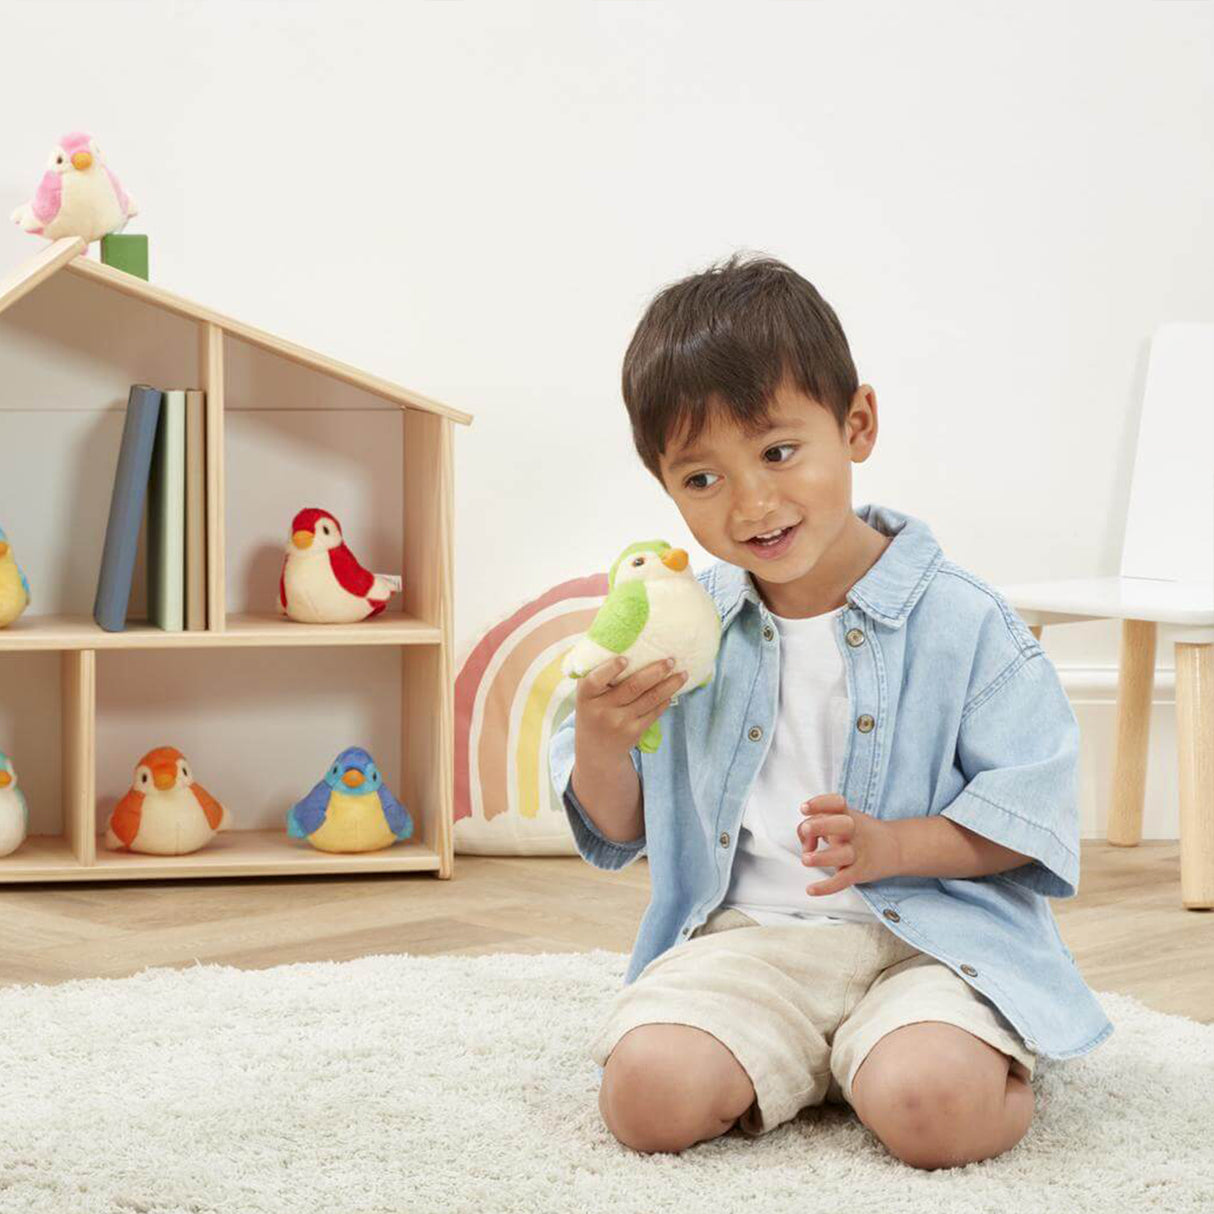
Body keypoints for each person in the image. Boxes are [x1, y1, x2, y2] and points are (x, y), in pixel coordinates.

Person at [547, 253, 1113, 1170]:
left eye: (778, 452)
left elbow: (1030, 818)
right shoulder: (678, 630)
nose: (753, 503)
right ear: (664, 487)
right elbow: (618, 830)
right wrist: (605, 745)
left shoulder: (966, 623)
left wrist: (893, 848)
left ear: (857, 425)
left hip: (933, 943)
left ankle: (959, 1063)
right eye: (703, 479)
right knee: (645, 1100)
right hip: (750, 943)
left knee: (933, 1111)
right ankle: (810, 1059)